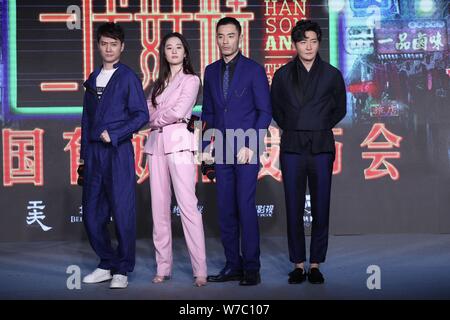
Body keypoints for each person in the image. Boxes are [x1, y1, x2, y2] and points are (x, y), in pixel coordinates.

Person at [271, 20, 346, 284]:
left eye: (313, 41)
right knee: (292, 206)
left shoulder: (331, 74)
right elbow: (275, 109)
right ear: (295, 44)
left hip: (321, 147)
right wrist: (293, 126)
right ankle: (298, 263)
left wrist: (320, 124)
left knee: (321, 206)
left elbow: (340, 108)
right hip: (292, 146)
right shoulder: (282, 74)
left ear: (319, 43)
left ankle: (315, 264)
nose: (309, 46)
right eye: (303, 41)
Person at [201, 17, 272, 286]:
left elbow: (265, 111)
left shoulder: (254, 70)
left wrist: (251, 144)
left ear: (240, 38)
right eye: (221, 36)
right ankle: (233, 265)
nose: (225, 41)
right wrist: (206, 146)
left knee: (245, 206)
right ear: (216, 38)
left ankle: (252, 267)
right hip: (220, 150)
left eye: (231, 35)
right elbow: (208, 112)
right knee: (225, 209)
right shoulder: (210, 71)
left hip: (246, 149)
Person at [80, 22, 149, 289]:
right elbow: (86, 120)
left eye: (113, 44)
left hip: (118, 151)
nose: (108, 48)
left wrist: (116, 133)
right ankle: (106, 262)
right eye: (104, 43)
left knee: (122, 211)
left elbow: (141, 115)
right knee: (92, 213)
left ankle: (122, 268)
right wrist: (84, 157)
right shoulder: (93, 78)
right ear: (98, 46)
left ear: (122, 47)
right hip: (95, 153)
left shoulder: (128, 77)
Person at [144, 32, 207, 287]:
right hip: (155, 147)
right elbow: (146, 111)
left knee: (188, 208)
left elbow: (181, 111)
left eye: (178, 47)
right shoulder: (156, 84)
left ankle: (200, 269)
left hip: (180, 145)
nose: (173, 51)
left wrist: (157, 117)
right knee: (159, 210)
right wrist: (161, 115)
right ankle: (163, 266)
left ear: (185, 52)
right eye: (169, 47)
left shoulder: (191, 80)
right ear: (164, 53)